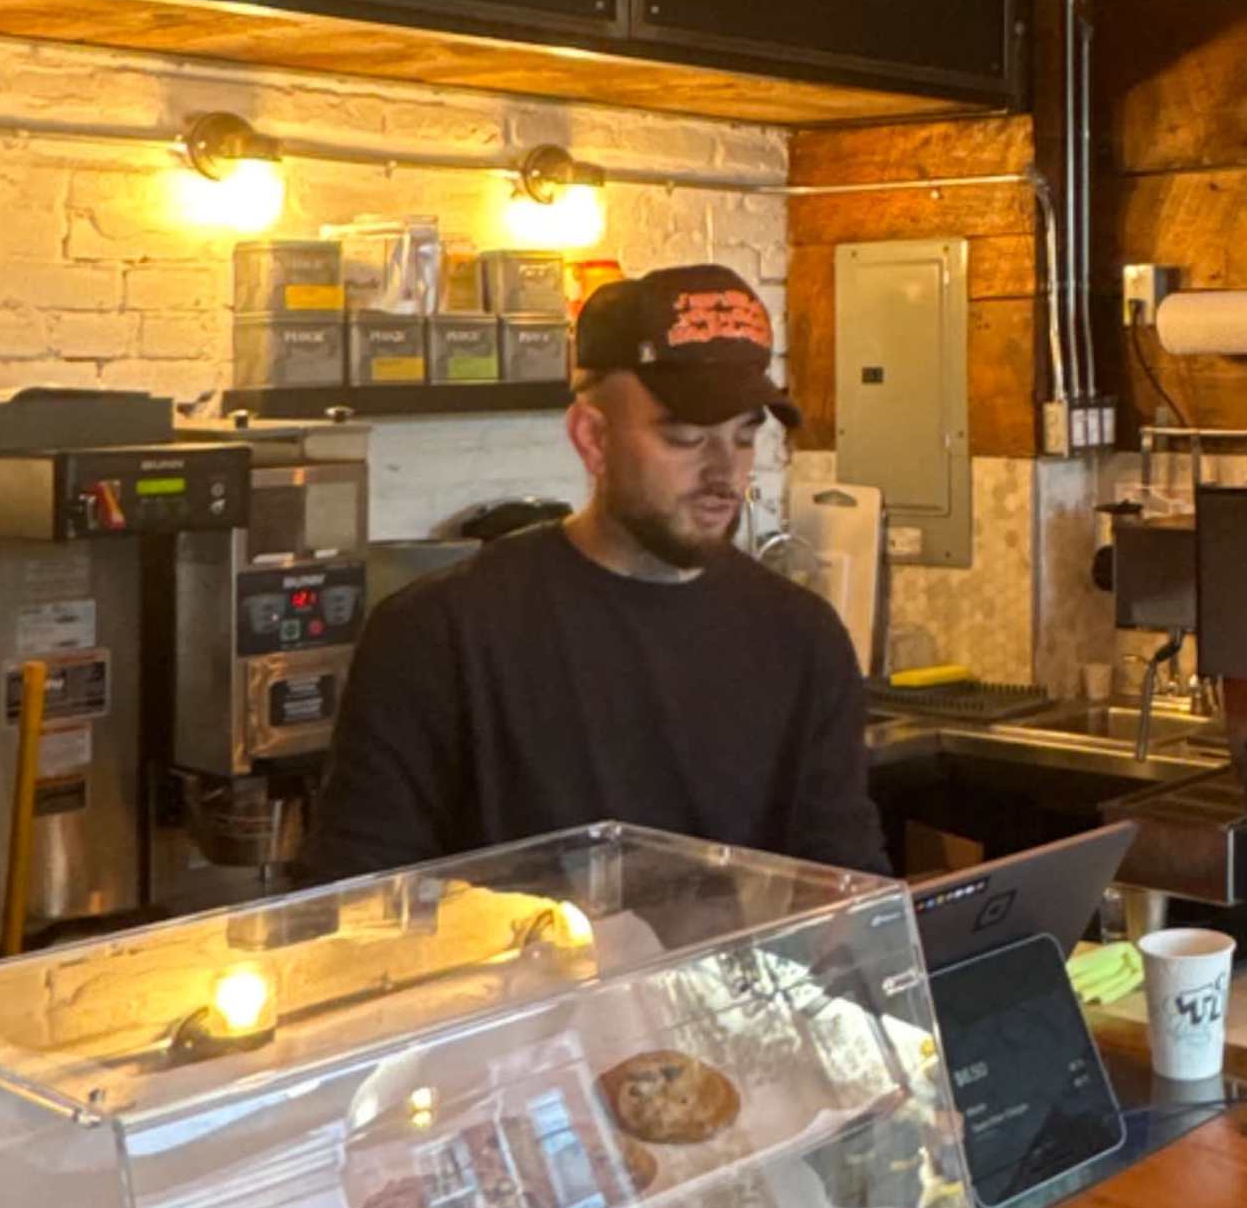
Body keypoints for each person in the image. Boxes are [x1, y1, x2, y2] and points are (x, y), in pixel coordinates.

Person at [307, 265, 886, 877]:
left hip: (729, 976)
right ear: (592, 438)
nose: (726, 474)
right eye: (686, 438)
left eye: (743, 439)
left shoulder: (802, 638)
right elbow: (360, 908)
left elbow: (847, 891)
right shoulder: (439, 635)